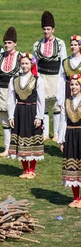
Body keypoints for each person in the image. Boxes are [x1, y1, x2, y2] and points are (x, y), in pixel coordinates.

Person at [7, 53, 45, 179]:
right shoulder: (14, 79)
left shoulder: (37, 79)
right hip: (19, 111)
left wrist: (39, 116)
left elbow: (41, 100)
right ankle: (25, 169)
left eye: (26, 63)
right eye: (22, 63)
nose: (24, 66)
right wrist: (11, 116)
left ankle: (32, 169)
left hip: (32, 110)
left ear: (31, 64)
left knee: (32, 138)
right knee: (21, 139)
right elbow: (11, 99)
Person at [33, 11, 67, 141]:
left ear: (53, 29)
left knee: (56, 106)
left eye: (48, 29)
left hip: (55, 77)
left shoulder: (60, 43)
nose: (46, 32)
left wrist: (61, 79)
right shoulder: (37, 44)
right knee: (44, 105)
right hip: (42, 77)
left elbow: (63, 62)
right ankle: (45, 132)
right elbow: (34, 63)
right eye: (44, 29)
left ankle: (57, 132)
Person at [0, 27, 21, 157]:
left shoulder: (20, 57)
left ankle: (17, 147)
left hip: (14, 92)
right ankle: (7, 148)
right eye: (6, 42)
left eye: (10, 43)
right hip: (1, 91)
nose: (7, 45)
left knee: (15, 119)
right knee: (4, 121)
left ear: (15, 43)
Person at [57, 74, 81, 207]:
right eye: (72, 84)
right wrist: (62, 140)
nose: (74, 87)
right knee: (73, 167)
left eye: (76, 84)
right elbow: (63, 122)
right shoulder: (66, 102)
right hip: (71, 135)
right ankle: (76, 198)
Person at [57, 35, 81, 108]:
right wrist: (60, 98)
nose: (73, 47)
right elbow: (61, 80)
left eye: (75, 45)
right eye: (71, 45)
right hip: (68, 91)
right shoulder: (65, 62)